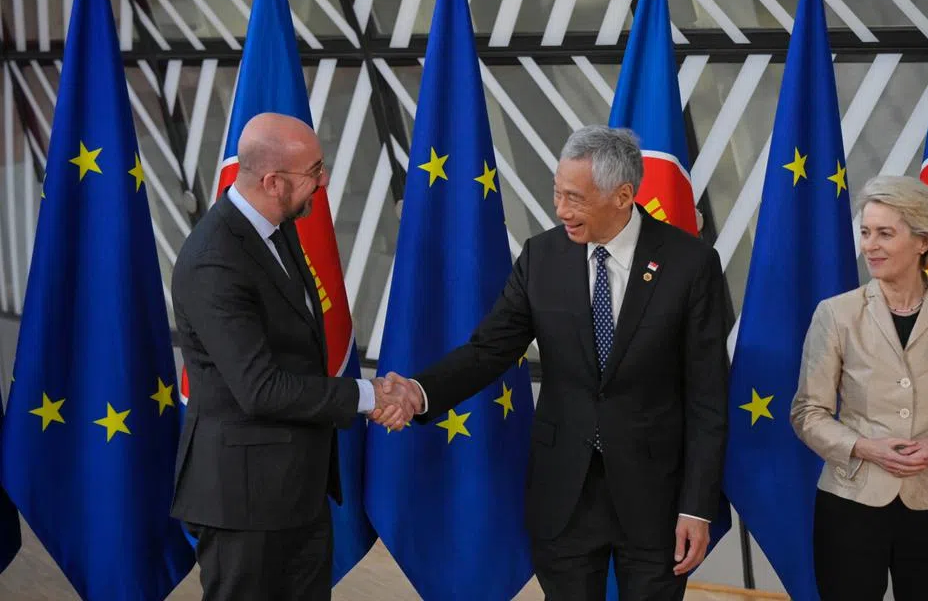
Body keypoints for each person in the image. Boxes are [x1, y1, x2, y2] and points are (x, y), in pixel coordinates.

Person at [377, 125, 730, 601]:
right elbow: (489, 350)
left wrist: (697, 507)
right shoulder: (542, 257)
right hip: (565, 492)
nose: (560, 210)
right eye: (557, 194)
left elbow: (708, 396)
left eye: (575, 198)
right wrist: (420, 392)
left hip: (658, 499)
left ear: (623, 195)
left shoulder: (691, 264)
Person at [170, 112, 411, 601]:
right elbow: (260, 389)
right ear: (273, 181)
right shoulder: (215, 258)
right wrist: (368, 395)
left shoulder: (275, 227)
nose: (322, 181)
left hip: (295, 489)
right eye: (314, 171)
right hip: (244, 498)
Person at [790, 175, 928, 601]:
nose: (870, 245)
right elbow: (807, 412)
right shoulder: (836, 313)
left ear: (923, 242)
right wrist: (864, 447)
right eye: (866, 232)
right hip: (851, 500)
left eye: (885, 233)